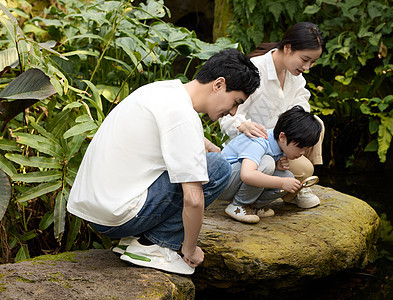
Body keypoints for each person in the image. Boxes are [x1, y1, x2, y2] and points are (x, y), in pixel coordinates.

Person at [67, 49, 260, 275]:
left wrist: (201, 141)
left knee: (203, 161)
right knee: (217, 166)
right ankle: (155, 245)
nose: (233, 111)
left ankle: (136, 239)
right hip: (119, 216)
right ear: (218, 84)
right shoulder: (184, 116)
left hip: (99, 212)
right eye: (236, 102)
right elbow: (194, 199)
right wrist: (190, 248)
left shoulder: (163, 90)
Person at [219, 22, 325, 209]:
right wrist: (242, 125)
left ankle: (302, 184)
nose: (307, 67)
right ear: (288, 48)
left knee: (316, 124)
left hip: (281, 145)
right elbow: (226, 114)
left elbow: (302, 108)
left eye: (313, 62)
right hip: (253, 150)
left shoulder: (296, 77)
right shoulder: (254, 70)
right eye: (305, 59)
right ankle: (287, 191)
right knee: (301, 169)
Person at [219, 106, 322, 224]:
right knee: (268, 163)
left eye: (306, 148)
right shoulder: (259, 140)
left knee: (287, 175)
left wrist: (279, 169)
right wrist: (282, 183)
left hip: (236, 182)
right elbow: (247, 175)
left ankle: (254, 206)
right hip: (223, 184)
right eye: (300, 147)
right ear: (282, 137)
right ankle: (239, 205)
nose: (303, 153)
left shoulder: (280, 145)